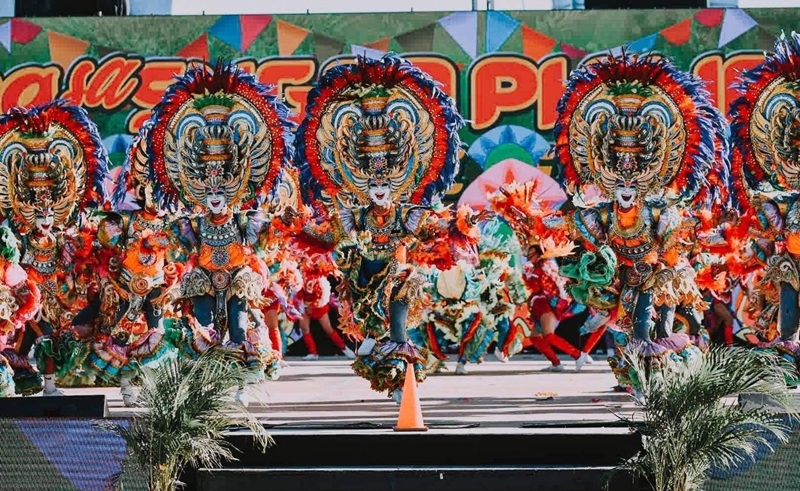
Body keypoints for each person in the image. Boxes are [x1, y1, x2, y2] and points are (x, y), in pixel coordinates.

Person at [292, 55, 483, 403]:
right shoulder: (353, 213)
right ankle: (380, 360)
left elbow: (435, 228)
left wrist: (461, 225)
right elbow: (326, 235)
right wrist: (296, 227)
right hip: (363, 280)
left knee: (397, 318)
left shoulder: (409, 213)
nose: (379, 184)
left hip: (397, 278)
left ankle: (400, 382)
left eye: (386, 176)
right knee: (368, 329)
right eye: (371, 176)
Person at [145, 60, 295, 402]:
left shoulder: (245, 219)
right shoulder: (194, 222)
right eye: (209, 190)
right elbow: (170, 240)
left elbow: (270, 237)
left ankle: (241, 384)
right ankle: (207, 388)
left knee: (240, 326)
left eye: (222, 189)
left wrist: (284, 221)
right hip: (203, 278)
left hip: (238, 276)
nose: (215, 196)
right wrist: (151, 239)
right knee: (204, 329)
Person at [0, 100, 109, 396]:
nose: (45, 220)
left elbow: (73, 262)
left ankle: (40, 383)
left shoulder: (61, 238)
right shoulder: (20, 238)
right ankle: (33, 382)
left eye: (50, 214)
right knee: (34, 338)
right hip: (27, 297)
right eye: (39, 214)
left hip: (56, 297)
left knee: (49, 340)